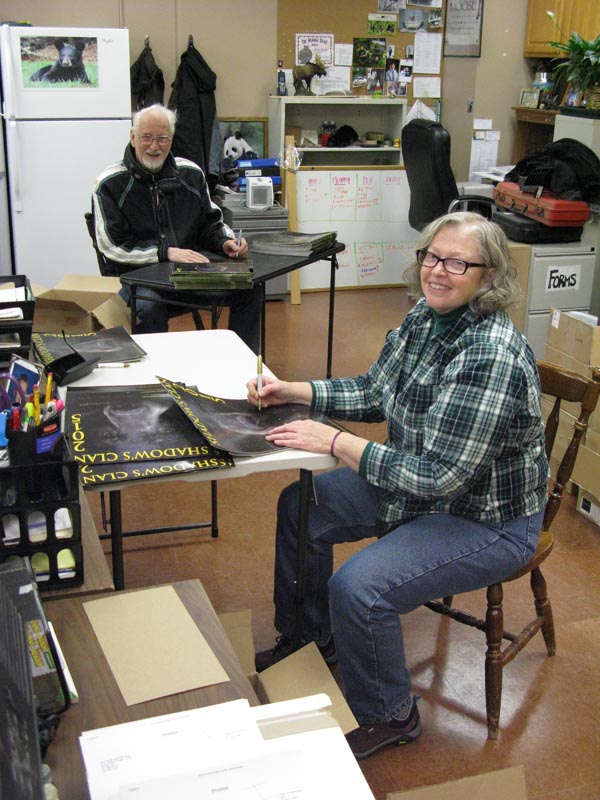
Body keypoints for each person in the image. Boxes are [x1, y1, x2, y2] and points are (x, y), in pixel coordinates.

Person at [247, 212, 548, 760]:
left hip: (485, 519)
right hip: (419, 482)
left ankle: (390, 714)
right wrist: (295, 391)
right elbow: (375, 391)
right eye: (432, 256)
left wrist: (336, 442)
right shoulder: (425, 317)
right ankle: (310, 636)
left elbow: (440, 477)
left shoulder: (489, 354)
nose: (437, 270)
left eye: (457, 262)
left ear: (489, 275)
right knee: (302, 504)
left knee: (359, 588)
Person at [92, 104, 262, 352]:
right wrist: (165, 252)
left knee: (251, 288)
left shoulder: (191, 174)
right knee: (149, 306)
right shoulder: (109, 184)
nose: (154, 146)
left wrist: (225, 241)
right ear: (133, 137)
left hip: (189, 277)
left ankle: (243, 364)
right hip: (138, 282)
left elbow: (211, 222)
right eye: (146, 137)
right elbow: (112, 247)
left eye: (162, 138)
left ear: (171, 140)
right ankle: (156, 371)